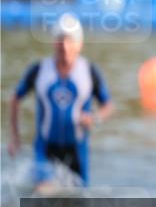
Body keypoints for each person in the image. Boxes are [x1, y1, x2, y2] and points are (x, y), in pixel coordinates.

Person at [8, 14, 114, 188]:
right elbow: (15, 98)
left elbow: (108, 105)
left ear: (80, 44)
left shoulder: (89, 72)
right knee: (43, 191)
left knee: (78, 196)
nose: (64, 46)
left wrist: (94, 118)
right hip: (45, 147)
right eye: (60, 40)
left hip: (77, 150)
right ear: (53, 43)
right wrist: (15, 137)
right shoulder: (40, 70)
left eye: (70, 41)